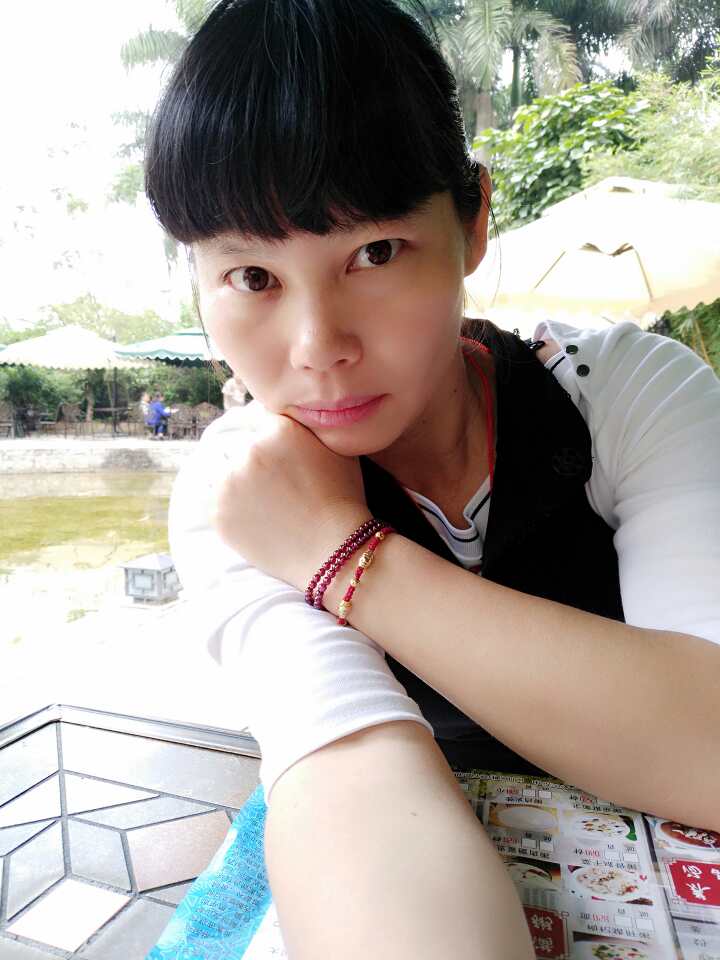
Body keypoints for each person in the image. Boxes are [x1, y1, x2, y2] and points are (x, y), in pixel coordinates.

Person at [144, 0, 720, 956]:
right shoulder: (244, 491)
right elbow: (351, 782)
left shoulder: (627, 394)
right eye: (252, 277)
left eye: (374, 253)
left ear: (473, 219)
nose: (317, 346)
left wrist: (340, 555)